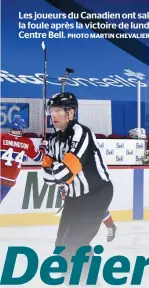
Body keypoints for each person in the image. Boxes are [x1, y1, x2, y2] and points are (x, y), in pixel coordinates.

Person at [41, 92, 113, 283]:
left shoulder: (82, 133)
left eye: (58, 111)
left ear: (71, 113)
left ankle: (86, 279)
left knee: (76, 242)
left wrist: (57, 168)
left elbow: (66, 172)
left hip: (97, 194)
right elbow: (46, 177)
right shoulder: (53, 140)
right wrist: (59, 169)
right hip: (74, 196)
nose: (53, 116)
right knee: (60, 244)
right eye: (52, 111)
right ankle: (78, 278)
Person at [1, 115, 47, 203]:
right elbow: (39, 158)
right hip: (9, 181)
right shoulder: (27, 142)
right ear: (22, 129)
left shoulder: (1, 137)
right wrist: (43, 146)